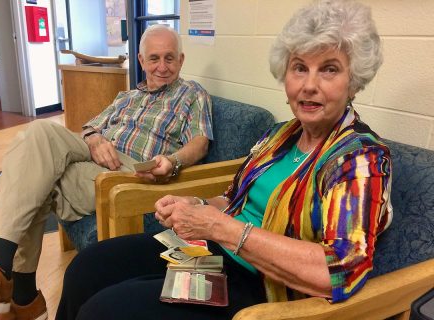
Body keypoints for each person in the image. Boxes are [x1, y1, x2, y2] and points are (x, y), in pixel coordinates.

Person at [56, 0, 393, 319]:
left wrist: (220, 227)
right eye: (299, 68)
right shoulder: (278, 136)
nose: (309, 85)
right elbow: (232, 199)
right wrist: (195, 205)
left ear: (354, 82)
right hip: (209, 252)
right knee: (85, 269)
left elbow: (339, 271)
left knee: (105, 311)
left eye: (329, 70)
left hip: (261, 286)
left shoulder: (359, 158)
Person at [0, 24, 213, 320]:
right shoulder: (127, 97)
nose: (162, 67)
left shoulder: (192, 94)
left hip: (136, 175)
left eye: (169, 58)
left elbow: (200, 143)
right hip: (96, 161)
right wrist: (95, 139)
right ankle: (17, 293)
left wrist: (173, 161)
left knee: (32, 172)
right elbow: (90, 127)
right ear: (141, 61)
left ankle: (13, 287)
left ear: (181, 60)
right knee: (37, 144)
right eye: (154, 58)